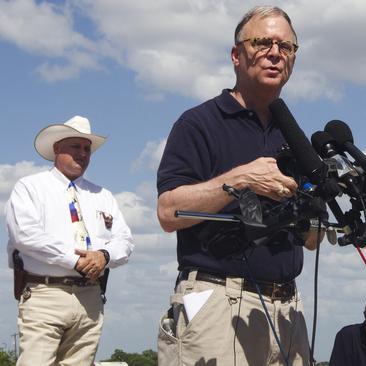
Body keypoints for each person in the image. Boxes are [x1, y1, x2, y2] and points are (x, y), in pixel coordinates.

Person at [156, 5, 321, 366]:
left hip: (288, 308)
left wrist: (314, 211)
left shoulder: (295, 137)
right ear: (236, 55)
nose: (275, 53)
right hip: (219, 303)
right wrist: (240, 179)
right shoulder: (198, 122)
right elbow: (168, 212)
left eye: (287, 47)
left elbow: (312, 240)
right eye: (262, 42)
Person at [5, 115, 134, 366]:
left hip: (90, 297)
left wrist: (104, 256)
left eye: (87, 149)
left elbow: (125, 240)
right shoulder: (30, 187)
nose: (83, 154)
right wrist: (76, 260)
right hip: (45, 294)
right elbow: (25, 235)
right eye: (75, 146)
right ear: (57, 148)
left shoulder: (102, 194)